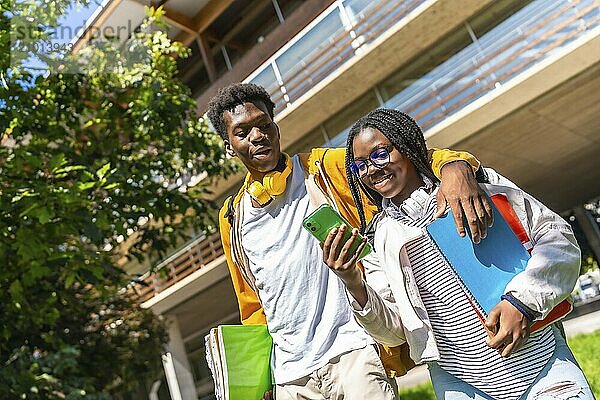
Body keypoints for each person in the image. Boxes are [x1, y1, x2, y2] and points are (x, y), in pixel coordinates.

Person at [207, 83, 491, 400]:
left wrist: (456, 167)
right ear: (229, 146)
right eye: (243, 132)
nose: (258, 136)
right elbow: (253, 306)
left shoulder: (323, 169)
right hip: (290, 376)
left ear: (276, 128)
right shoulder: (232, 217)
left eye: (264, 125)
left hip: (355, 351)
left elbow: (404, 161)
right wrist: (263, 381)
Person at [323, 108, 593, 400]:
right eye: (360, 165)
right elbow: (395, 331)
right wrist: (353, 283)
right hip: (461, 385)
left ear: (406, 145)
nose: (371, 170)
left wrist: (522, 302)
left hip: (543, 366)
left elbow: (557, 239)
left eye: (379, 154)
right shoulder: (381, 238)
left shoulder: (474, 185)